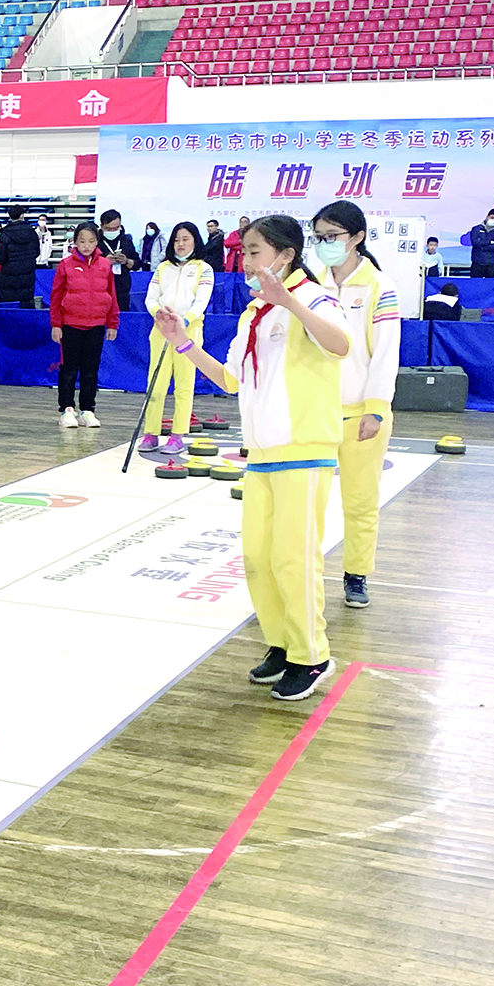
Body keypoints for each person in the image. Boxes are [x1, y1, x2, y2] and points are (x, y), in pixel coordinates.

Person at [152, 214, 352, 701]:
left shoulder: (315, 297)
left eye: (256, 250)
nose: (245, 259)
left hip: (304, 448)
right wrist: (181, 340)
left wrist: (290, 303)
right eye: (244, 250)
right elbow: (229, 378)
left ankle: (312, 654)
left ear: (285, 255)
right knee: (259, 560)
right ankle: (282, 643)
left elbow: (341, 345)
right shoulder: (253, 314)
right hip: (261, 453)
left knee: (293, 558)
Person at [313, 201, 400, 612]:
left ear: (358, 238)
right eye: (319, 238)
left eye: (333, 237)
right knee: (307, 499)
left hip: (362, 411)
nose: (325, 245)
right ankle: (304, 571)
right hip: (314, 410)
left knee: (361, 500)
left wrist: (376, 407)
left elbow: (386, 353)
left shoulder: (380, 287)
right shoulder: (312, 285)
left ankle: (356, 574)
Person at [138, 222, 213, 455]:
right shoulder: (163, 268)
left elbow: (201, 302)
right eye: (177, 240)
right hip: (161, 330)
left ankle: (177, 435)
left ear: (195, 241)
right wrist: (158, 314)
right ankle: (151, 433)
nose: (181, 244)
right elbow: (151, 298)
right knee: (156, 383)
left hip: (188, 333)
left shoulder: (204, 268)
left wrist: (186, 321)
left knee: (183, 384)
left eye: (186, 239)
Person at [51, 222, 119, 429]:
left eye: (91, 241)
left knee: (91, 370)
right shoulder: (65, 265)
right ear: (75, 242)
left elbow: (112, 295)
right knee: (69, 370)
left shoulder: (105, 265)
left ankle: (88, 410)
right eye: (82, 241)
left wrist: (112, 323)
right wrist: (56, 324)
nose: (86, 245)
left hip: (96, 325)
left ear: (97, 242)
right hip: (71, 325)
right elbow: (56, 297)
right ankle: (67, 409)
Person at [0, 204, 40, 306]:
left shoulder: (5, 234)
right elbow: (37, 252)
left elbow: (0, 258)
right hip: (27, 276)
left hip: (8, 277)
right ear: (22, 215)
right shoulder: (32, 232)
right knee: (26, 308)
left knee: (8, 310)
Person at [97, 209, 140, 312]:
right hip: (100, 289)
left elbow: (137, 263)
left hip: (122, 289)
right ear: (102, 226)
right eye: (108, 229)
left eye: (116, 228)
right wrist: (104, 262)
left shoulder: (126, 240)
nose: (112, 231)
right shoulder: (95, 241)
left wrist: (126, 261)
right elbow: (87, 264)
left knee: (122, 320)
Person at [468, 208, 494, 277]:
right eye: (492, 217)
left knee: (491, 285)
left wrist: (481, 246)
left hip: (491, 264)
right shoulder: (476, 229)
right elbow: (475, 243)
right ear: (487, 216)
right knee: (475, 285)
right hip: (477, 263)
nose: (493, 220)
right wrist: (489, 242)